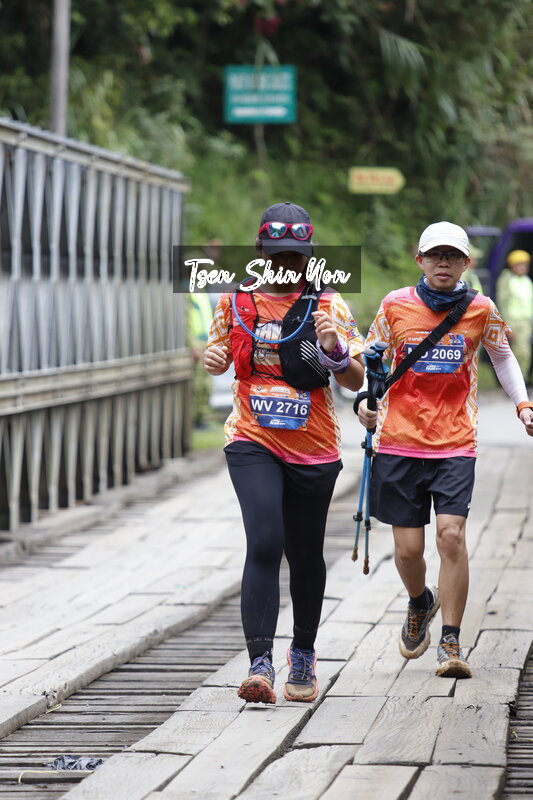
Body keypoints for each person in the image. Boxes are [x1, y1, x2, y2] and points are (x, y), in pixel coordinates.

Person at [357, 221, 533, 679]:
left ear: (465, 263)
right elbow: (370, 360)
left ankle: (451, 641)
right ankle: (420, 602)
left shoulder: (480, 308)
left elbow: (502, 356)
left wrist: (523, 404)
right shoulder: (395, 305)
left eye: (452, 256)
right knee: (408, 551)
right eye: (435, 255)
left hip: (455, 442)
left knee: (451, 536)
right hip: (399, 441)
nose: (443, 263)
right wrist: (363, 401)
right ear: (420, 260)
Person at [204, 201, 365, 703]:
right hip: (252, 439)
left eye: (295, 256)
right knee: (265, 541)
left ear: (309, 255)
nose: (285, 265)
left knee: (305, 552)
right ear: (259, 252)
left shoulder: (328, 304)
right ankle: (259, 664)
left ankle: (303, 653)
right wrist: (214, 359)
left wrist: (334, 350)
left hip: (313, 447)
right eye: (276, 255)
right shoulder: (234, 302)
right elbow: (219, 355)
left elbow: (355, 379)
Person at [187, 239, 223, 428]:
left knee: (204, 383)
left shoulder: (199, 291)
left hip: (204, 342)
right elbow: (185, 322)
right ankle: (195, 418)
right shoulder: (187, 292)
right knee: (197, 384)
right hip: (195, 344)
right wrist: (192, 344)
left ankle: (201, 417)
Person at [496, 250, 533, 378]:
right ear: (512, 266)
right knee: (520, 353)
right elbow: (502, 304)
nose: (524, 268)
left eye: (525, 265)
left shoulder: (527, 280)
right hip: (513, 322)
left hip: (526, 323)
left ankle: (520, 381)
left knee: (524, 353)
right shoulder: (506, 280)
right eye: (520, 265)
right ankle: (517, 381)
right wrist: (506, 325)